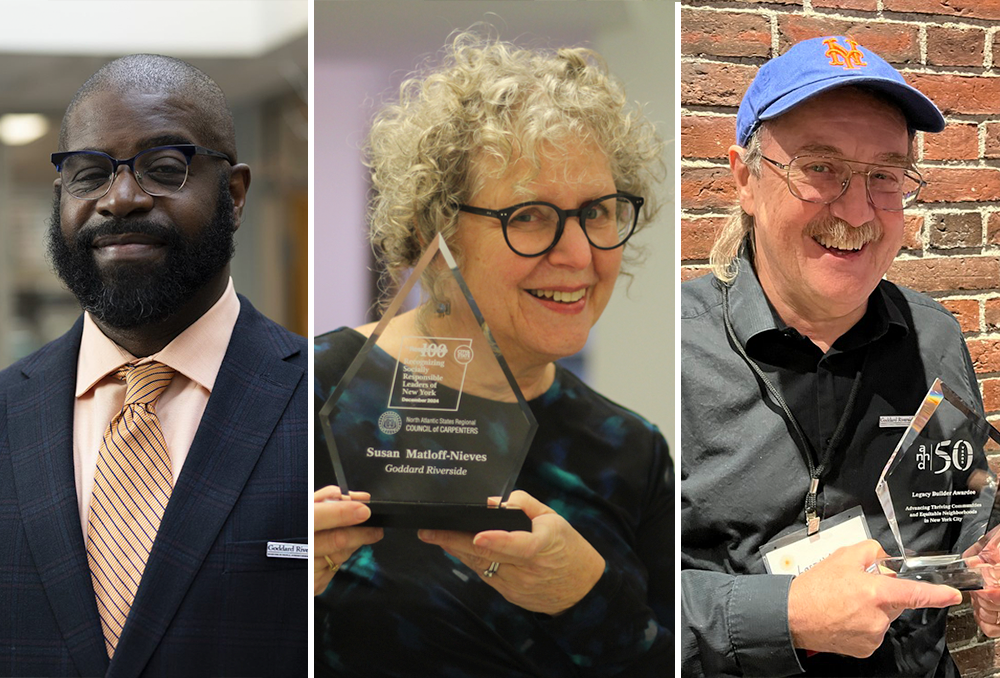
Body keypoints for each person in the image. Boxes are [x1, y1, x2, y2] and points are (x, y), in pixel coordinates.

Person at [313, 33, 672, 676]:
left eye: (598, 211)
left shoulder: (632, 452)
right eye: (530, 216)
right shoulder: (305, 397)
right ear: (435, 232)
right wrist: (271, 581)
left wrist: (589, 598)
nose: (580, 255)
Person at [681, 35, 1000, 677]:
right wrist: (783, 614)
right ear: (746, 179)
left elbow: (963, 503)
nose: (856, 210)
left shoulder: (933, 337)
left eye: (884, 176)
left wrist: (990, 552)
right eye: (819, 167)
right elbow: (596, 592)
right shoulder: (670, 354)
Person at [0, 55, 307, 677]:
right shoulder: (6, 410)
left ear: (236, 193)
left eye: (164, 169)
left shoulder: (323, 406)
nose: (121, 199)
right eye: (89, 175)